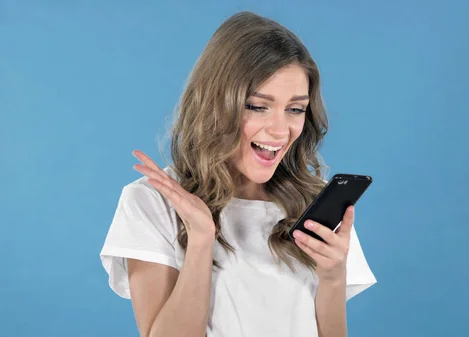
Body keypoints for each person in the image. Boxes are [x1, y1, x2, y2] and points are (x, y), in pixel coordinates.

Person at [99, 10, 376, 337]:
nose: (279, 130)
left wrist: (332, 277)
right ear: (216, 103)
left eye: (295, 109)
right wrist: (201, 240)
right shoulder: (150, 202)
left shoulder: (314, 205)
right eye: (257, 106)